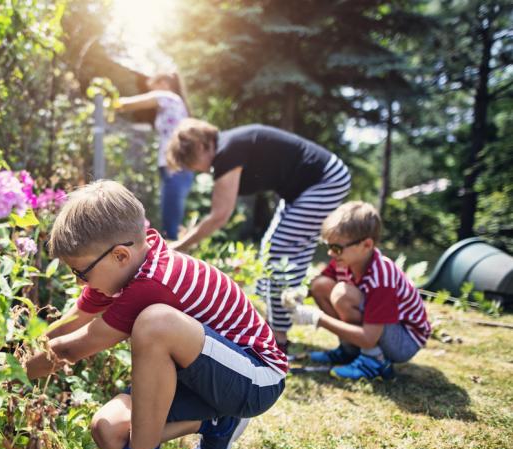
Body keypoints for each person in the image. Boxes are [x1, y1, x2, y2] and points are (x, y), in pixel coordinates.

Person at [23, 180, 287, 449]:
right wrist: (24, 348)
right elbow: (73, 320)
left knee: (154, 323)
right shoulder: (131, 260)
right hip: (206, 377)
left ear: (119, 255)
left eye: (81, 273)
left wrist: (9, 376)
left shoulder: (155, 281)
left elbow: (71, 349)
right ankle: (219, 421)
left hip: (257, 379)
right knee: (108, 431)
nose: (79, 282)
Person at [166, 119, 352, 353]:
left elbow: (219, 215)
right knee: (270, 251)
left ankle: (279, 338)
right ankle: (274, 326)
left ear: (202, 146)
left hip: (325, 180)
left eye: (192, 163)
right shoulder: (229, 146)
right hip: (305, 188)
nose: (199, 170)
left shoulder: (227, 151)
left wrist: (178, 247)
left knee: (279, 255)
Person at [287, 201, 432, 380]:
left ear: (366, 245)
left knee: (342, 295)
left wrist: (318, 319)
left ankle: (373, 361)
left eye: (337, 248)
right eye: (329, 246)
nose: (331, 254)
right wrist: (299, 294)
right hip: (382, 328)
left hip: (404, 340)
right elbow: (318, 286)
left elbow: (369, 337)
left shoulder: (381, 278)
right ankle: (350, 350)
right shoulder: (345, 261)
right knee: (320, 285)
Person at [117, 72, 194, 240]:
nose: (153, 91)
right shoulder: (176, 104)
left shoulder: (168, 96)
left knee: (171, 222)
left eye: (155, 86)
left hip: (176, 167)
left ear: (165, 83)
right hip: (174, 165)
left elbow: (126, 104)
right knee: (171, 217)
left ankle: (174, 259)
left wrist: (106, 100)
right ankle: (175, 253)